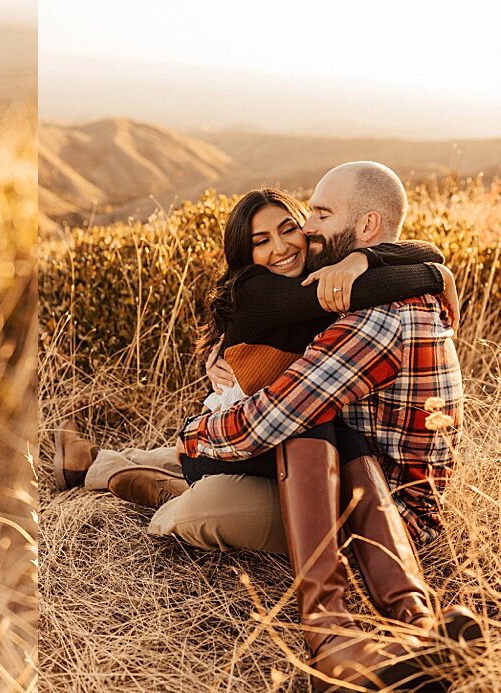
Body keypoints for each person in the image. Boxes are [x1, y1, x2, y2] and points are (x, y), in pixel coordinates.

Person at [55, 171, 473, 689]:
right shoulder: (333, 291)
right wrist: (431, 269)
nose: (307, 230)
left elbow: (263, 424)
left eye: (318, 216)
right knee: (290, 425)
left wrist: (196, 431)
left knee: (216, 490)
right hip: (338, 473)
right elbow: (273, 413)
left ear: (365, 226)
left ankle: (388, 630)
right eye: (309, 216)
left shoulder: (374, 316)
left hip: (379, 507)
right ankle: (112, 469)